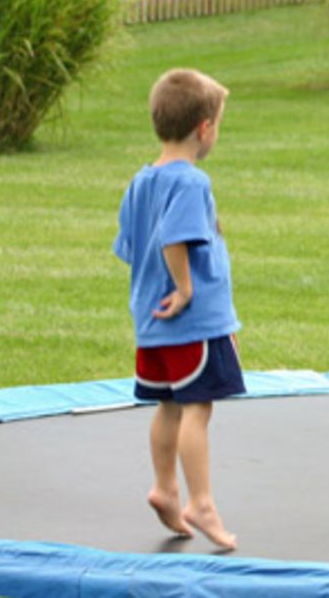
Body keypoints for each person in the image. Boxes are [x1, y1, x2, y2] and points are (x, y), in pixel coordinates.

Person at [114, 68, 245, 550]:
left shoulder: (141, 181)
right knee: (197, 409)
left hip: (152, 322)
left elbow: (132, 246)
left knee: (168, 405)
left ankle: (165, 488)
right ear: (204, 129)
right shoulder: (191, 182)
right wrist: (186, 288)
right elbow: (173, 240)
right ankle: (201, 501)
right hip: (192, 321)